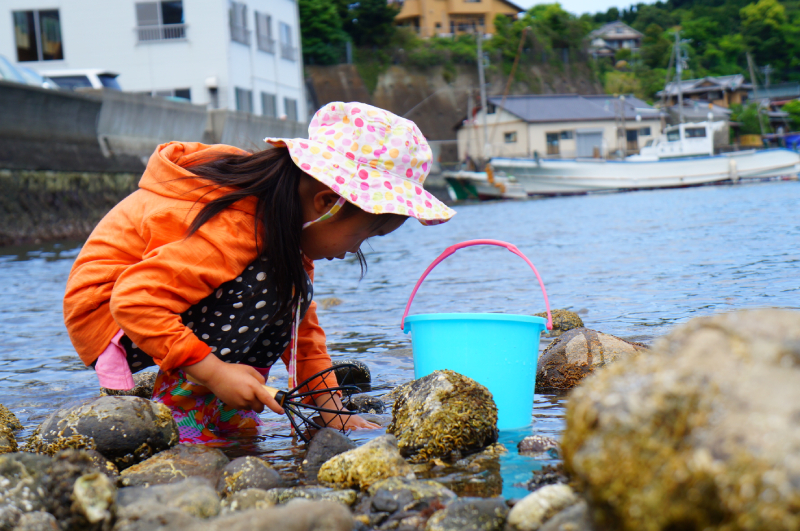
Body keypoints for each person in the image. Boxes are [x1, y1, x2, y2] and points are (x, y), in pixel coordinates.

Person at [63, 102, 455, 444]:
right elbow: (134, 300)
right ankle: (186, 411)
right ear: (327, 204)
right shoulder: (237, 227)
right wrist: (215, 373)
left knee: (289, 296)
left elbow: (303, 336)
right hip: (107, 312)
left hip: (155, 304)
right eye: (366, 232)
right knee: (267, 285)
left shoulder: (281, 231)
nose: (357, 248)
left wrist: (336, 414)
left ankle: (225, 411)